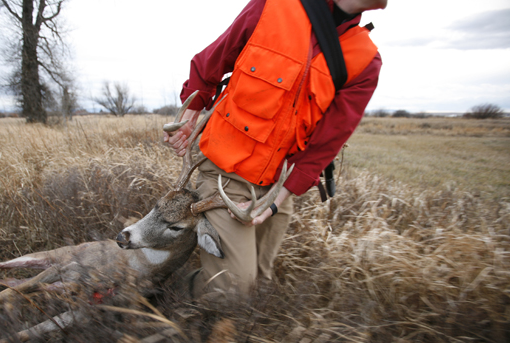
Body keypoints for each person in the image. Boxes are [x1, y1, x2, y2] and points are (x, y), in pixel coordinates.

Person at [164, 0, 387, 298]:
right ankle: (166, 299)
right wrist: (190, 114)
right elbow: (211, 62)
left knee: (259, 285)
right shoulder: (273, 6)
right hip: (225, 173)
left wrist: (276, 201)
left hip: (276, 186)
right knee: (235, 290)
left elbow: (326, 145)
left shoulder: (366, 61)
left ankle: (189, 304)